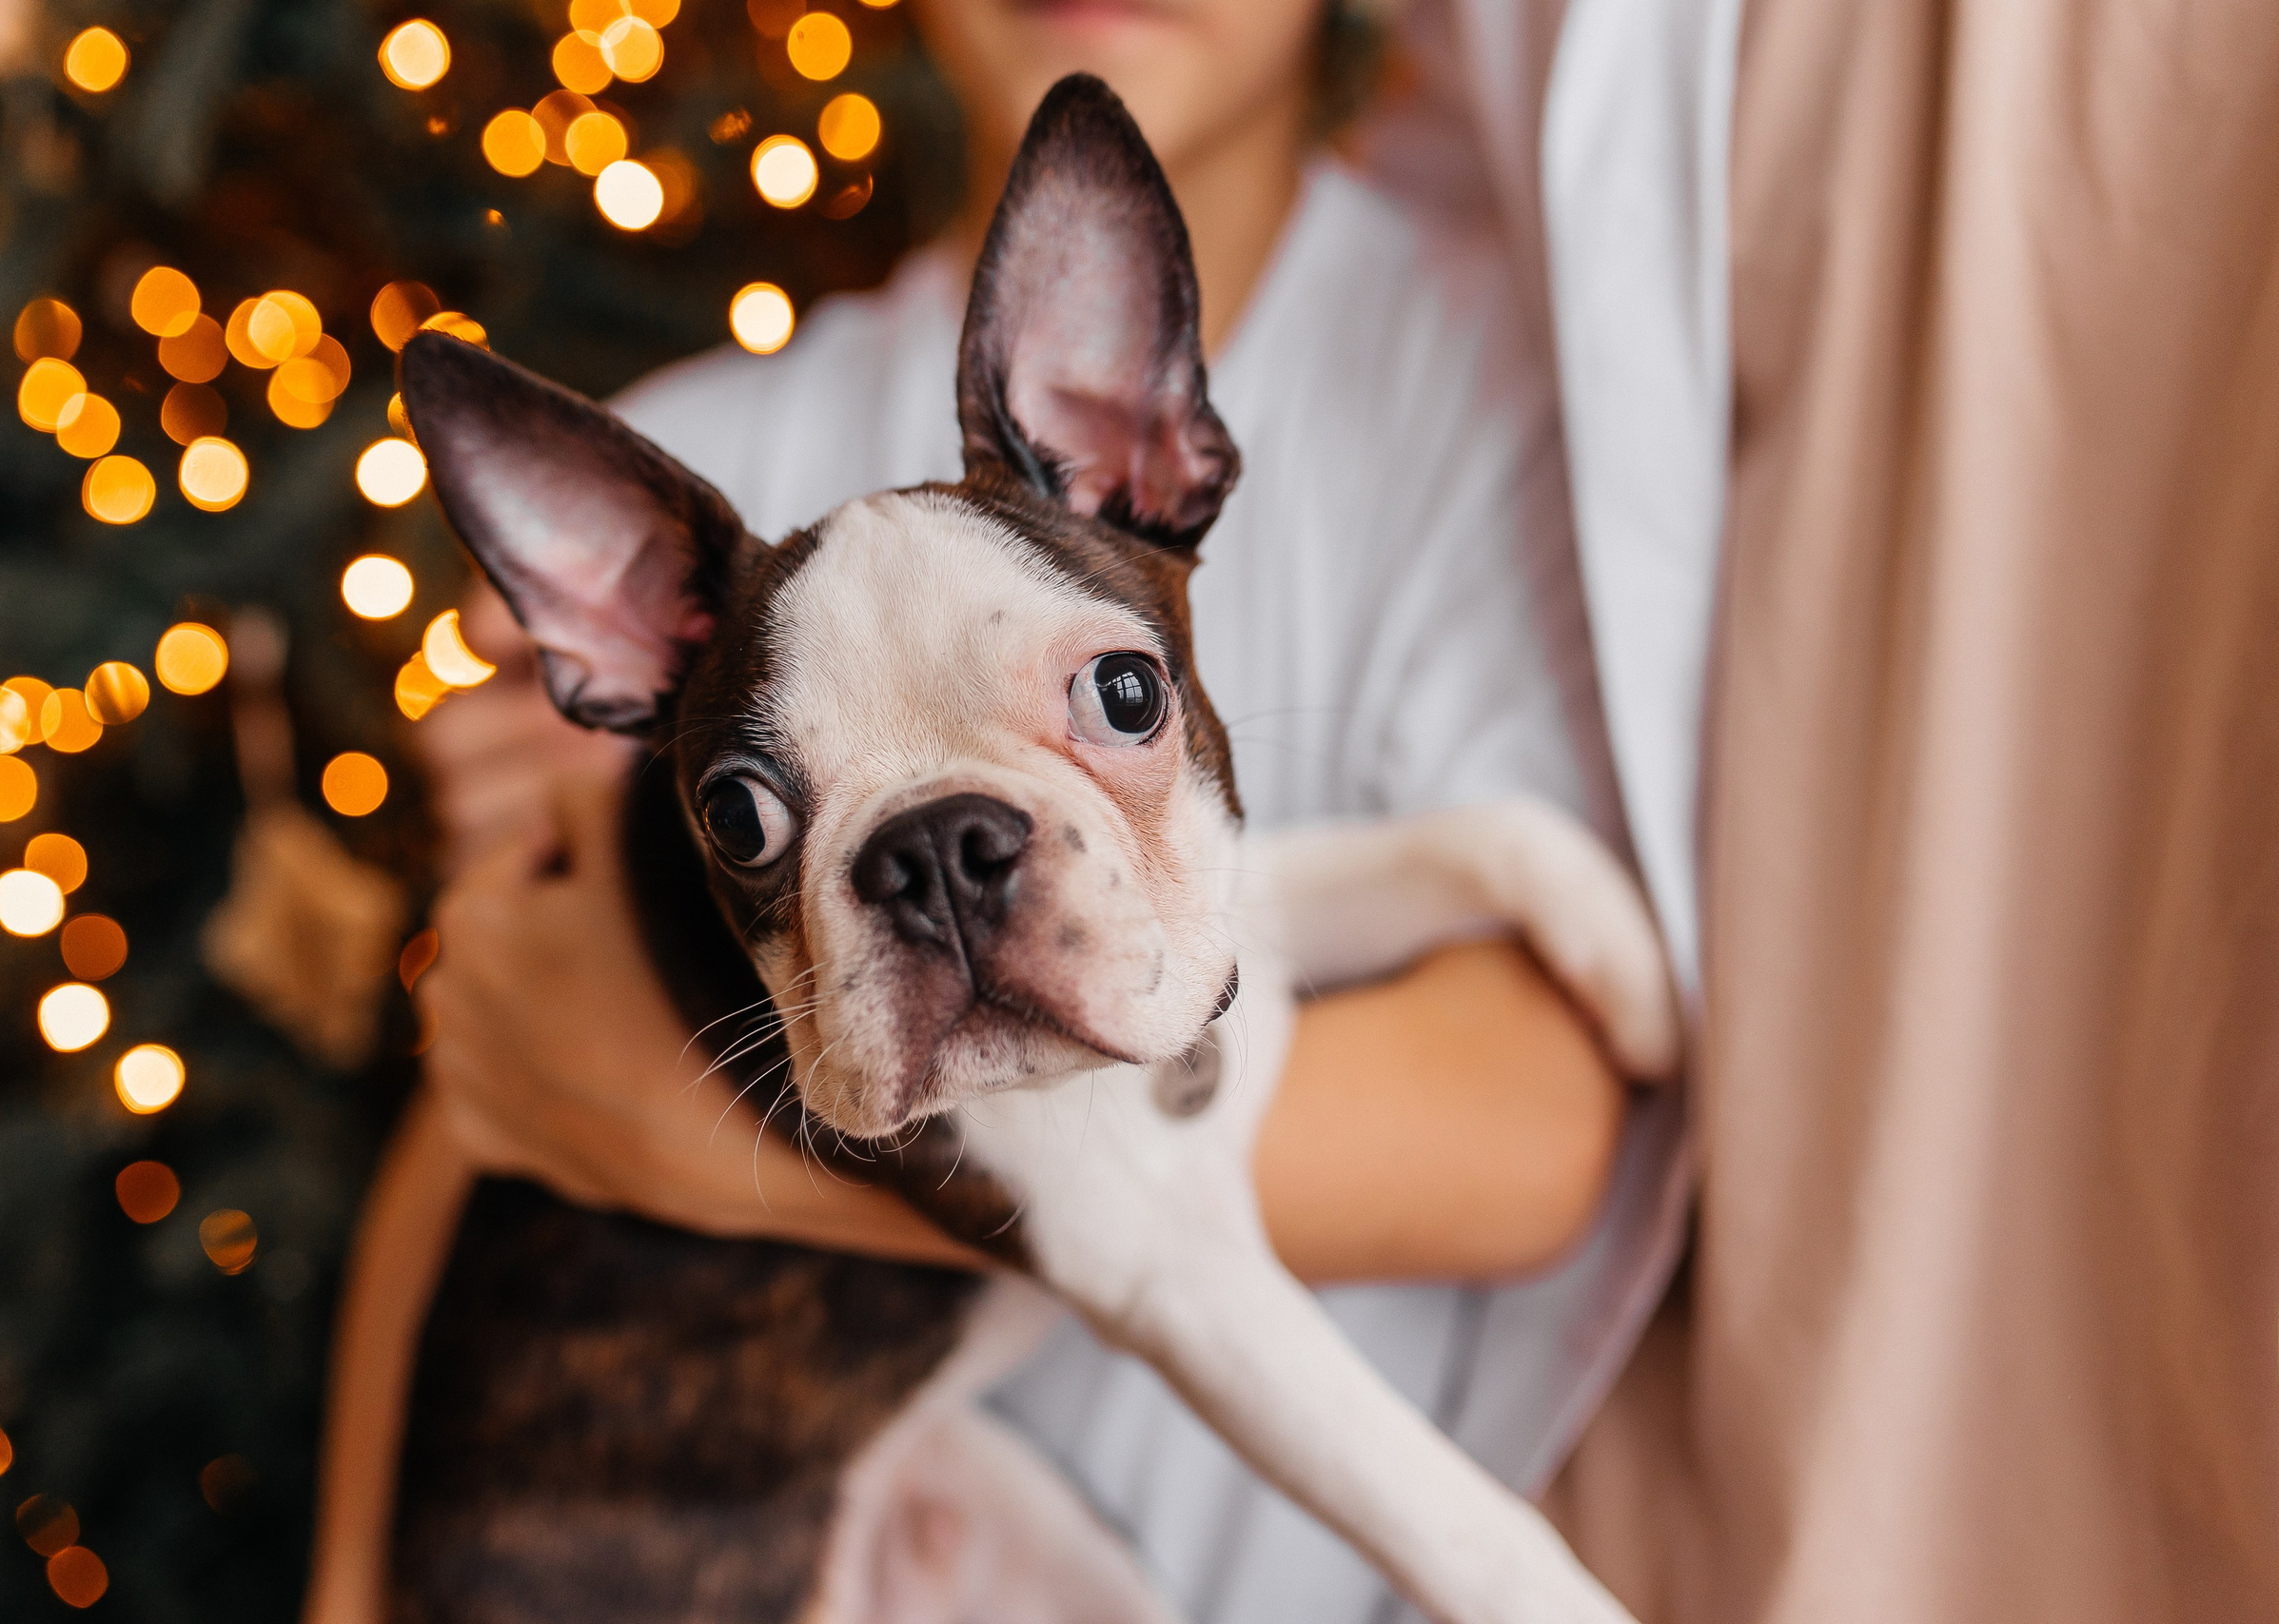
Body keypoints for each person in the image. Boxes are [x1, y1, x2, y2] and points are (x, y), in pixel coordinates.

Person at [305, 2, 1690, 1622]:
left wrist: (696, 1140)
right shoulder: (713, 461)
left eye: (1109, 705)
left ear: (1156, 437)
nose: (954, 886)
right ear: (612, 650)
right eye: (759, 814)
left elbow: (1518, 1141)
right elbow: (484, 1078)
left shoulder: (1479, 365)